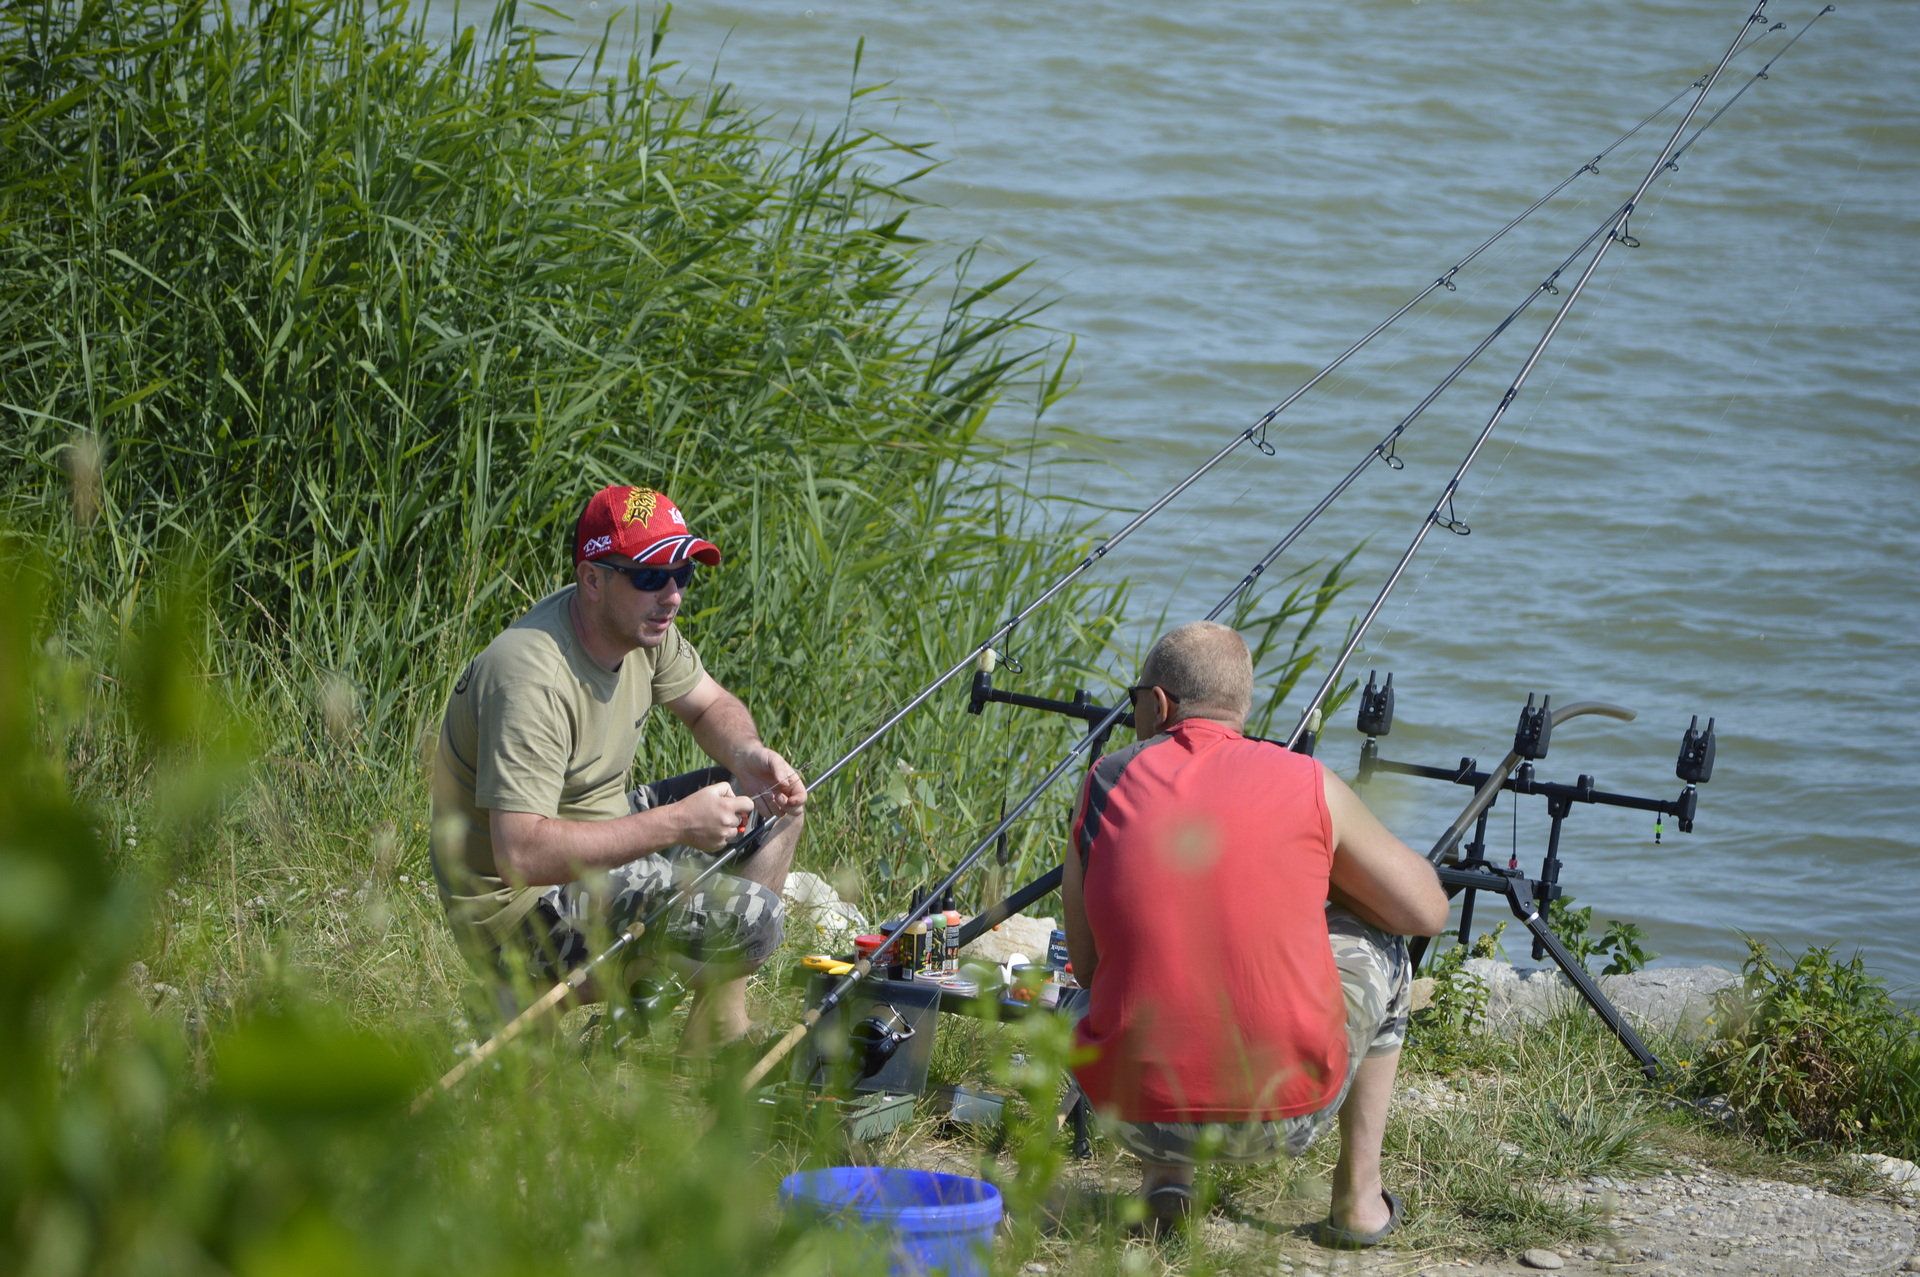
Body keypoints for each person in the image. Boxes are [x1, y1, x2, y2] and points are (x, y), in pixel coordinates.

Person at [1061, 620, 1448, 1242]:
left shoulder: (1105, 780)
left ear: (1156, 704)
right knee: (1386, 944)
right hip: (1287, 1116)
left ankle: (1166, 1177)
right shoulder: (1306, 779)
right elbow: (1425, 911)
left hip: (1127, 1111)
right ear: (1241, 707)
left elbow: (1085, 967)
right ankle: (1358, 1203)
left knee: (1127, 972)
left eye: (1136, 696)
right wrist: (1326, 882)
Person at [429, 484, 807, 1056]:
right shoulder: (530, 678)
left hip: (592, 833)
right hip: (518, 907)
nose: (673, 595)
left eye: (683, 574)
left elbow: (709, 705)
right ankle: (521, 994)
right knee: (754, 921)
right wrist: (678, 824)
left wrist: (748, 756)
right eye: (652, 576)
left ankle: (713, 1034)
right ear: (592, 579)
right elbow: (521, 856)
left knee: (773, 810)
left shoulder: (641, 627)